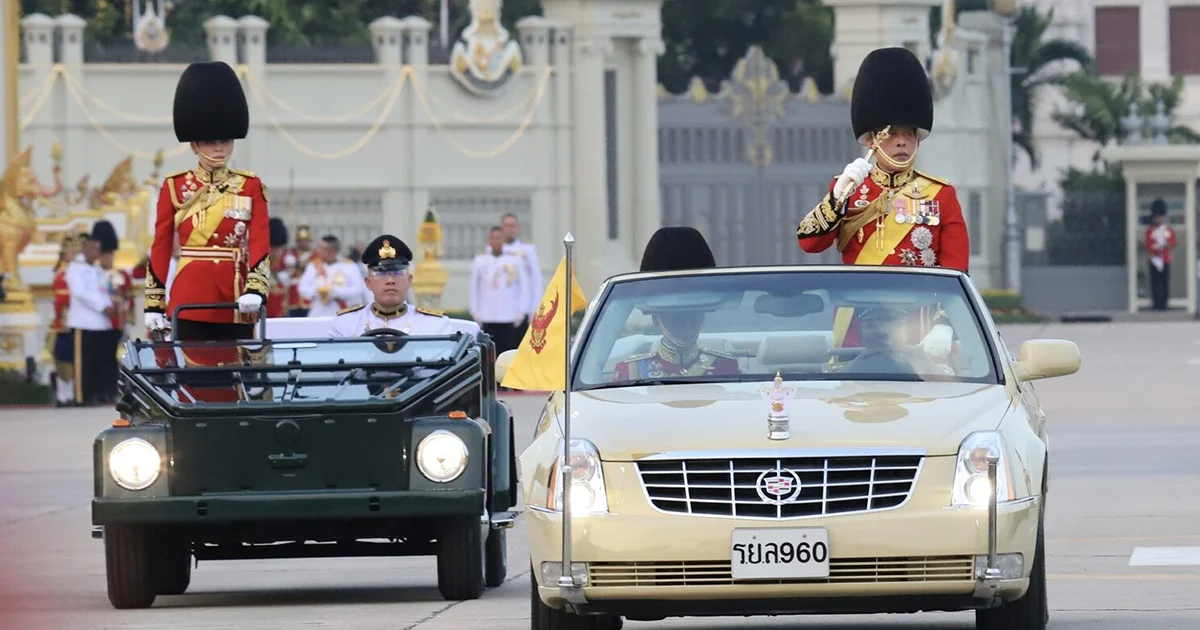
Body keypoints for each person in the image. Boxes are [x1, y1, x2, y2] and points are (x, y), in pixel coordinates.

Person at [794, 46, 963, 360]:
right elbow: (809, 242)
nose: (901, 141)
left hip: (920, 332)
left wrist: (944, 325)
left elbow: (956, 273)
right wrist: (837, 196)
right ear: (872, 140)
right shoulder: (849, 189)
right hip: (857, 330)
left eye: (909, 134)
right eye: (891, 134)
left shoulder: (940, 196)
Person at [142, 61, 271, 342]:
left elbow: (260, 241)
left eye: (225, 140)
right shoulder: (174, 187)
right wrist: (154, 300)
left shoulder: (250, 185)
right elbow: (161, 245)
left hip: (236, 295)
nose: (219, 148)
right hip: (190, 295)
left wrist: (256, 289)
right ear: (195, 145)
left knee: (237, 376)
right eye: (211, 141)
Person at [613, 226, 740, 380]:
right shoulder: (631, 371)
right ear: (656, 320)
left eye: (693, 316)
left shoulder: (725, 367)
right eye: (675, 318)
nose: (687, 325)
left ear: (703, 317)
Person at [329, 234, 458, 337]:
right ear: (368, 283)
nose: (390, 280)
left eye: (397, 273)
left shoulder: (434, 325)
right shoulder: (345, 324)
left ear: (409, 281)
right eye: (381, 273)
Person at [66, 224, 117, 406]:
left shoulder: (96, 270)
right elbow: (80, 292)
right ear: (86, 247)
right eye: (95, 248)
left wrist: (111, 304)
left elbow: (103, 290)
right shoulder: (75, 268)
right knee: (84, 364)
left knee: (98, 362)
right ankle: (83, 396)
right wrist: (103, 306)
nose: (98, 252)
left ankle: (98, 393)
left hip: (100, 323)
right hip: (84, 322)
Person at [470, 226, 531, 353]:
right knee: (488, 354)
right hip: (487, 316)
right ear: (489, 240)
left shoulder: (515, 260)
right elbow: (474, 289)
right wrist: (475, 312)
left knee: (507, 354)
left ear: (503, 240)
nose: (497, 241)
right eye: (494, 238)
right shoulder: (480, 260)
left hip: (509, 316)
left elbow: (524, 289)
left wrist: (521, 312)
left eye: (499, 238)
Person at [94, 220, 131, 403]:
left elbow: (128, 298)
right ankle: (102, 391)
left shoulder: (121, 275)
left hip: (118, 323)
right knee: (100, 360)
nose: (107, 258)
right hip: (100, 322)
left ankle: (114, 392)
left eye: (109, 254)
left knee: (114, 360)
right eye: (104, 254)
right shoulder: (94, 274)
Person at [48, 233, 84, 406]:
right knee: (63, 361)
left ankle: (71, 395)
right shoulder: (62, 273)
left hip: (76, 322)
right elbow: (63, 300)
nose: (74, 256)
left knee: (74, 361)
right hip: (64, 323)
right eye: (71, 252)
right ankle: (63, 396)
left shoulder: (76, 271)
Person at [299, 234, 367, 318]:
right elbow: (302, 288)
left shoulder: (349, 266)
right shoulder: (313, 266)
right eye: (320, 248)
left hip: (343, 312)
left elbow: (358, 289)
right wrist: (317, 291)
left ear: (333, 250)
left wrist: (336, 292)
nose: (320, 251)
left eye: (324, 249)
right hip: (317, 313)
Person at [500, 212, 543, 339]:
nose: (509, 229)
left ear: (517, 228)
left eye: (512, 225)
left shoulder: (527, 250)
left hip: (521, 308)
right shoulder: (494, 250)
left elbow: (536, 279)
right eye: (506, 225)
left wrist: (534, 308)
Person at [1145, 198, 1176, 311]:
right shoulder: (1150, 230)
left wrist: (1163, 245)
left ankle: (1164, 304)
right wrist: (1158, 246)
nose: (1159, 219)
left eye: (1160, 217)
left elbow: (1172, 243)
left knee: (1165, 283)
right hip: (1154, 259)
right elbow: (1149, 245)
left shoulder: (1168, 230)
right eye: (1157, 217)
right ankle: (1156, 303)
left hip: (1166, 259)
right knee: (1155, 283)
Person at [266, 218, 293, 317]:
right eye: (273, 248)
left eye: (278, 248)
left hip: (281, 307)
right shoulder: (262, 262)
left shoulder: (286, 261)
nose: (276, 252)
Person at [288, 224, 315, 317]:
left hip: (307, 295)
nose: (304, 243)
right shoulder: (291, 254)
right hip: (293, 294)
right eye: (302, 241)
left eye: (306, 241)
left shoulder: (314, 255)